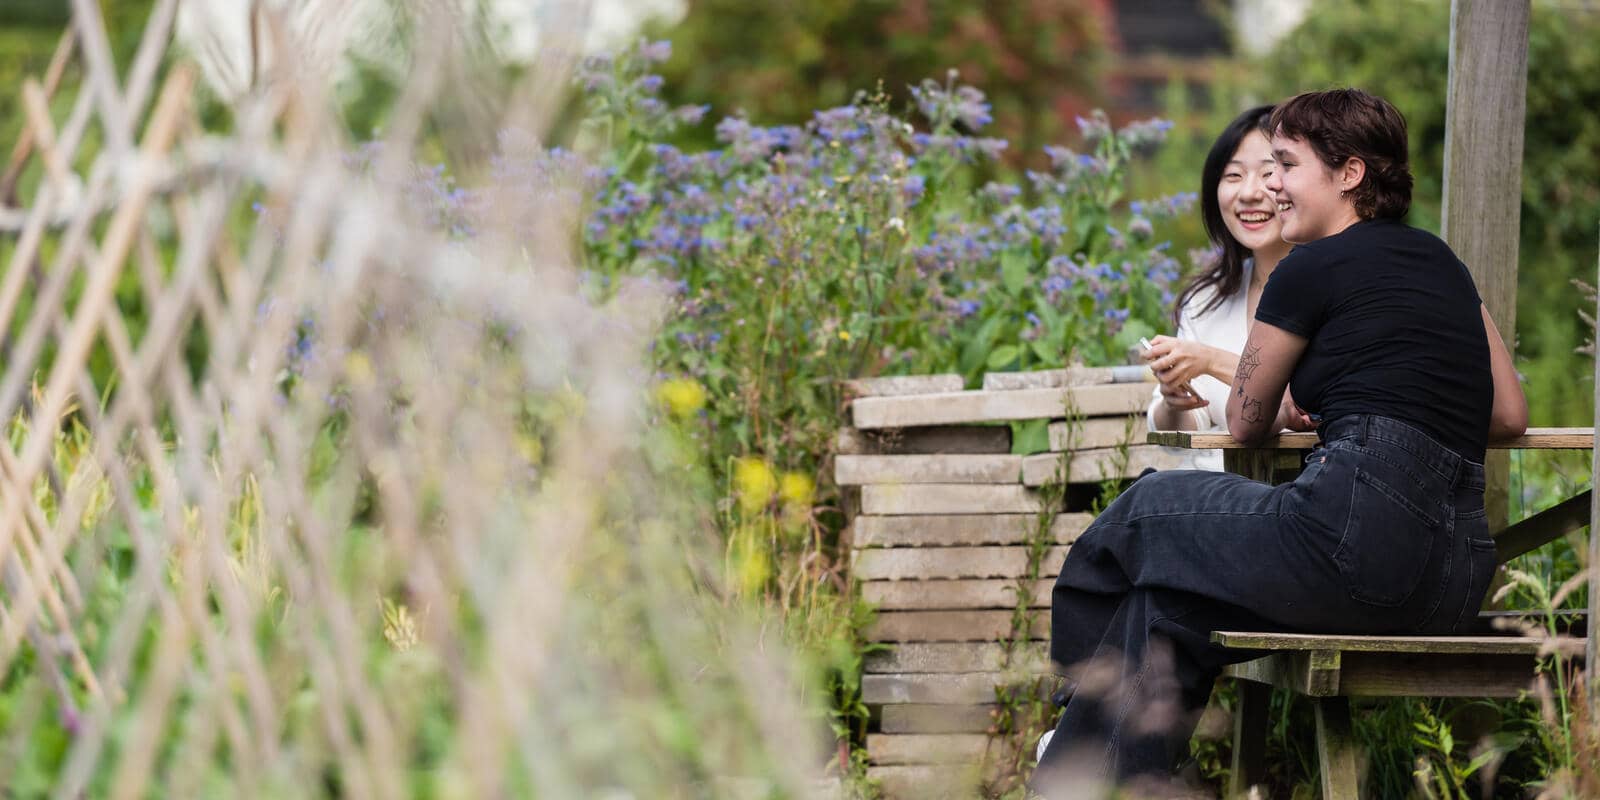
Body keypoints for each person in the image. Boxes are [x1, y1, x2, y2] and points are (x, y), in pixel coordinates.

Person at [1033, 89, 1528, 795]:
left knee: (1141, 511)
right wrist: (1378, 399)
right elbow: (1508, 413)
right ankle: (1090, 780)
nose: (1271, 185)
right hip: (1455, 580)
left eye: (1285, 166)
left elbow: (1244, 420)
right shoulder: (1441, 263)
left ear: (1348, 174)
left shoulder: (1309, 266)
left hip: (1350, 547)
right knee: (1164, 608)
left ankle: (1063, 713)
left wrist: (1320, 408)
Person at [1143, 105, 1295, 470]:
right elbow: (1183, 437)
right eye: (1233, 175)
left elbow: (1304, 405)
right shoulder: (1206, 299)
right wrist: (1174, 399)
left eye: (1268, 173)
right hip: (1209, 493)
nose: (1249, 193)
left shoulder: (1334, 290)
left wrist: (1209, 361)